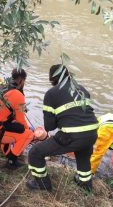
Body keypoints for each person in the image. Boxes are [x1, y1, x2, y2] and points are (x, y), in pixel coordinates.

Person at [26, 64, 98, 192]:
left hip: (72, 135)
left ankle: (43, 186)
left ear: (52, 80)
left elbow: (49, 126)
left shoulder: (51, 93)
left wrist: (59, 118)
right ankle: (86, 187)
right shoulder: (82, 89)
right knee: (83, 158)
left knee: (35, 153)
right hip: (92, 133)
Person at [0, 68, 35, 169]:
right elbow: (21, 120)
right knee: (28, 134)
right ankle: (11, 161)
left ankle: (8, 151)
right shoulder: (18, 95)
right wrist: (30, 133)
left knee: (14, 125)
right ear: (22, 81)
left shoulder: (1, 86)